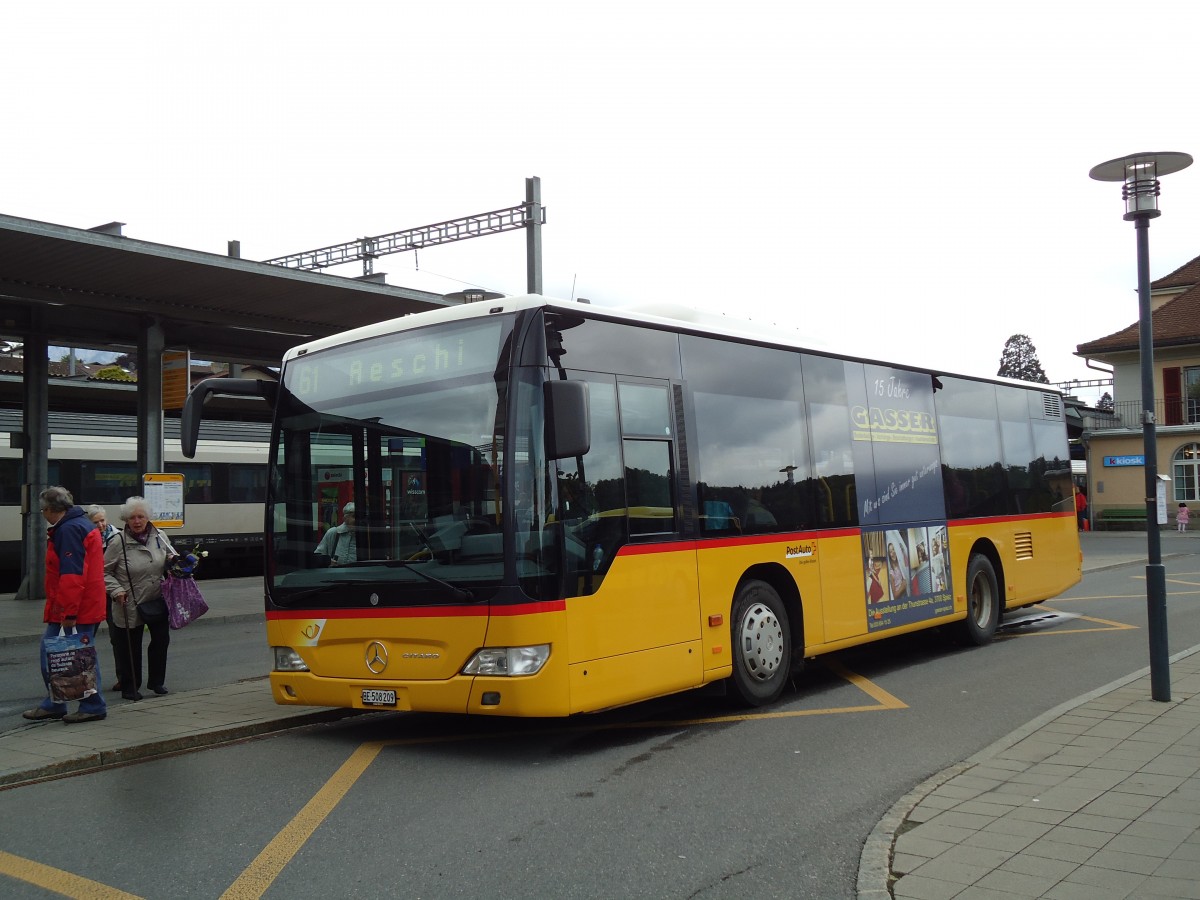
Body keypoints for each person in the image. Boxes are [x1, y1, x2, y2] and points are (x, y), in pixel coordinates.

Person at [22, 486, 109, 723]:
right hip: (83, 602)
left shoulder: (69, 530)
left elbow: (72, 574)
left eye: (43, 510)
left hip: (75, 606)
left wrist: (69, 611)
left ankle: (90, 705)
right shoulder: (79, 523)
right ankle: (58, 701)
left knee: (65, 654)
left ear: (50, 509)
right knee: (77, 653)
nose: (43, 514)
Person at [104, 496, 176, 699]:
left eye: (141, 516)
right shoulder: (118, 542)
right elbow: (103, 571)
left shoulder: (160, 536)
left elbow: (169, 557)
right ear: (125, 520)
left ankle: (157, 682)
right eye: (132, 517)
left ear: (148, 518)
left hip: (156, 599)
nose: (137, 521)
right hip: (129, 602)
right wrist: (116, 590)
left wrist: (175, 563)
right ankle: (130, 687)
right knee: (129, 647)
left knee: (161, 641)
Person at [87, 503, 124, 689]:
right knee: (86, 637)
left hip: (111, 593)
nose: (100, 525)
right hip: (92, 594)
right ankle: (84, 679)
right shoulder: (84, 538)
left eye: (102, 520)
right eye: (95, 522)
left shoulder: (116, 537)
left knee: (117, 636)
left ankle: (123, 677)